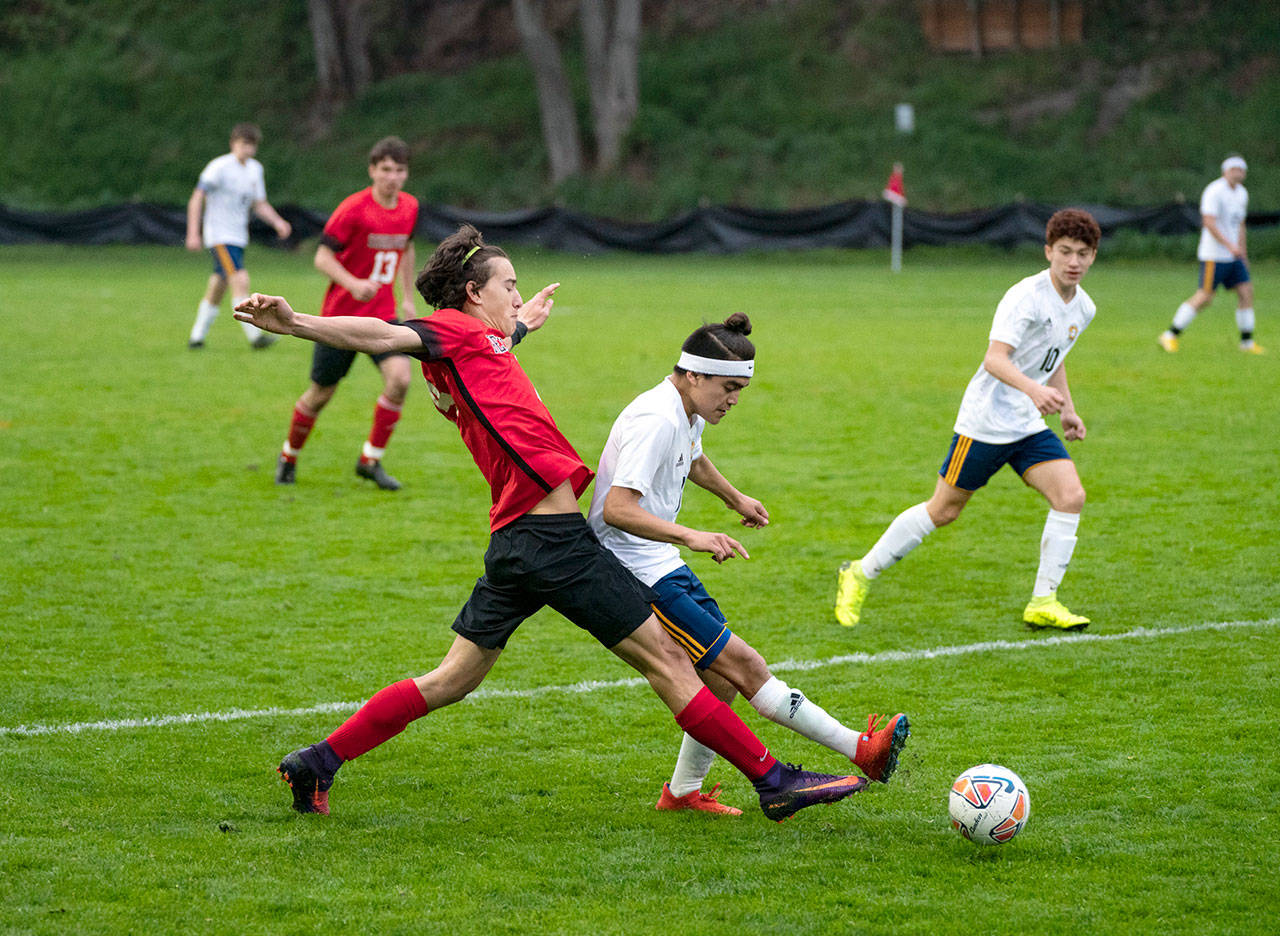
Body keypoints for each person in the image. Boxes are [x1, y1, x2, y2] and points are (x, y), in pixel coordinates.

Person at [235, 224, 869, 822]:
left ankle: (317, 762)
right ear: (472, 293)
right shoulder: (451, 333)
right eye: (507, 285)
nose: (517, 293)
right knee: (673, 664)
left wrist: (522, 328)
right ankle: (773, 781)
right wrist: (294, 323)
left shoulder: (484, 342)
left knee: (452, 679)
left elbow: (492, 353)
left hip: (516, 541)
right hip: (554, 540)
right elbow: (381, 335)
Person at [587, 314, 909, 816]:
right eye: (729, 388)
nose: (734, 400)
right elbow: (617, 510)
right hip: (633, 571)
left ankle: (681, 794)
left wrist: (734, 498)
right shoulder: (656, 419)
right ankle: (860, 750)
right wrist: (693, 535)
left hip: (657, 562)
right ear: (694, 375)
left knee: (720, 679)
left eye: (741, 389)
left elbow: (691, 459)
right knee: (745, 665)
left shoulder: (683, 410)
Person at [835, 208, 1102, 632]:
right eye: (1066, 251)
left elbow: (1054, 360)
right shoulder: (1025, 297)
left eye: (1083, 254)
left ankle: (1043, 601)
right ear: (1048, 251)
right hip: (986, 421)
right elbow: (995, 359)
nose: (1074, 261)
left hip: (1027, 424)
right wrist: (1034, 391)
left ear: (1092, 257)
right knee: (943, 511)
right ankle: (859, 573)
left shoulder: (1083, 307)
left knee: (1071, 496)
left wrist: (1067, 408)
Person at [274, 137, 420, 490]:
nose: (393, 177)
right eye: (386, 169)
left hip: (384, 317)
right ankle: (289, 454)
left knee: (400, 379)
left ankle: (370, 460)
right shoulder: (353, 209)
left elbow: (407, 248)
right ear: (372, 170)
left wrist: (408, 297)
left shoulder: (410, 207)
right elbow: (322, 257)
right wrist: (353, 284)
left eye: (399, 170)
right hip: (340, 318)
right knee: (321, 394)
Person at [185, 123, 292, 349]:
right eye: (244, 144)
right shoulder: (219, 167)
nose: (248, 150)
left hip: (238, 236)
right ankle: (256, 337)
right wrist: (193, 232)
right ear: (233, 143)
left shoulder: (255, 170)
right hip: (220, 235)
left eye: (252, 145)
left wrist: (277, 222)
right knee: (240, 279)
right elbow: (197, 197)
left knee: (218, 285)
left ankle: (196, 337)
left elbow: (259, 204)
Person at [1159, 155, 1264, 354]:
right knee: (1205, 297)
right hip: (1214, 255)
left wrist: (1242, 252)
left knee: (1246, 292)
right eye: (1234, 169)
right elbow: (1209, 222)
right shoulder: (1215, 191)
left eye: (1241, 170)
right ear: (1225, 171)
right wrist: (1229, 245)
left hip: (1234, 256)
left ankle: (1247, 342)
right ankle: (1169, 335)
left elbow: (1240, 224)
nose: (1238, 173)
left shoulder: (1242, 193)